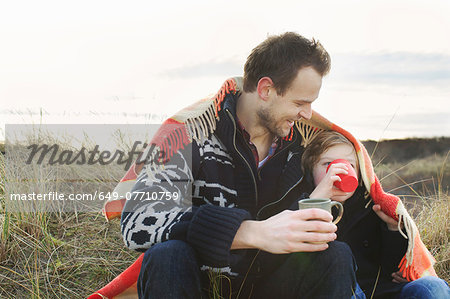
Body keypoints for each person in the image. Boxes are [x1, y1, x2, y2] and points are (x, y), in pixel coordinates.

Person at [120, 32, 358, 298]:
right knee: (168, 255)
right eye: (300, 102)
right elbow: (136, 223)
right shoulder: (191, 134)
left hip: (274, 286)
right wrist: (249, 232)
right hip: (201, 284)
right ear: (266, 89)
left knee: (335, 255)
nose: (308, 114)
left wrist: (324, 199)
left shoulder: (305, 146)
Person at [300, 130, 450, 298]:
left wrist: (393, 229)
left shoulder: (371, 206)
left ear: (360, 171)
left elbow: (391, 270)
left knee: (433, 287)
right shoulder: (299, 205)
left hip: (381, 291)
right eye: (328, 164)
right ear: (309, 171)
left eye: (349, 165)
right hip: (341, 291)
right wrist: (316, 200)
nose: (340, 172)